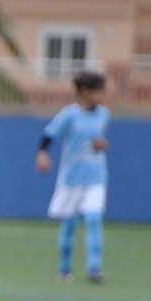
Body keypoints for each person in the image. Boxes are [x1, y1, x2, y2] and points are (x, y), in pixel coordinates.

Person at [37, 71, 110, 283]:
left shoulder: (104, 114)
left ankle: (94, 270)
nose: (102, 95)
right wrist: (42, 154)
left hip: (96, 177)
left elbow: (98, 140)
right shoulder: (69, 115)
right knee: (69, 225)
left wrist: (101, 145)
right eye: (99, 91)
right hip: (71, 179)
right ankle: (65, 269)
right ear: (85, 92)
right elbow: (49, 135)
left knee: (94, 219)